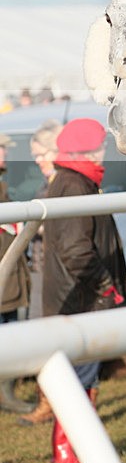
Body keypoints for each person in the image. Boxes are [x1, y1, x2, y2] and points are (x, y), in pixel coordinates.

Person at [42, 118, 126, 463]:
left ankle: (73, 452)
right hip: (82, 302)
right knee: (80, 379)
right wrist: (107, 288)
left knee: (83, 378)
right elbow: (76, 251)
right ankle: (68, 454)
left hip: (79, 299)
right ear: (82, 149)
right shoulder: (75, 184)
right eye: (97, 147)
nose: (102, 153)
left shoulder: (74, 181)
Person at [18, 120, 63, 427]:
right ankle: (47, 401)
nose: (37, 160)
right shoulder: (45, 186)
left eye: (42, 153)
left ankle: (54, 405)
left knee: (51, 339)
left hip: (54, 273)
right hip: (40, 269)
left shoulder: (63, 186)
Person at [0, 133, 33, 415]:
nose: (4, 154)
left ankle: (7, 392)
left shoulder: (3, 183)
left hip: (8, 268)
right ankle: (5, 395)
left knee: (9, 326)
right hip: (3, 269)